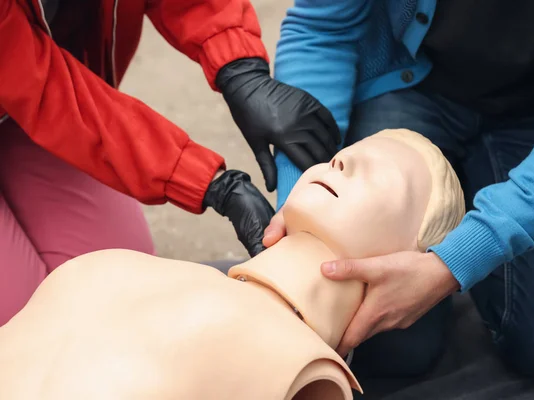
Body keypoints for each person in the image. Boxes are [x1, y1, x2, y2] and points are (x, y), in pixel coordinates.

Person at [265, 0, 534, 384]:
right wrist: (302, 196)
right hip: (408, 81)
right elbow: (321, 31)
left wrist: (457, 261)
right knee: (392, 347)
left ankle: (484, 212)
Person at [0, 129, 464, 399]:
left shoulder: (303, 369)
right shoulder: (106, 269)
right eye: (341, 157)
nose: (338, 164)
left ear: (410, 263)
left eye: (378, 175)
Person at [0, 0, 340, 325]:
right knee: (22, 321)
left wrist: (241, 69)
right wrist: (208, 184)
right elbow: (47, 89)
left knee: (122, 291)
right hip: (38, 87)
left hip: (29, 106)